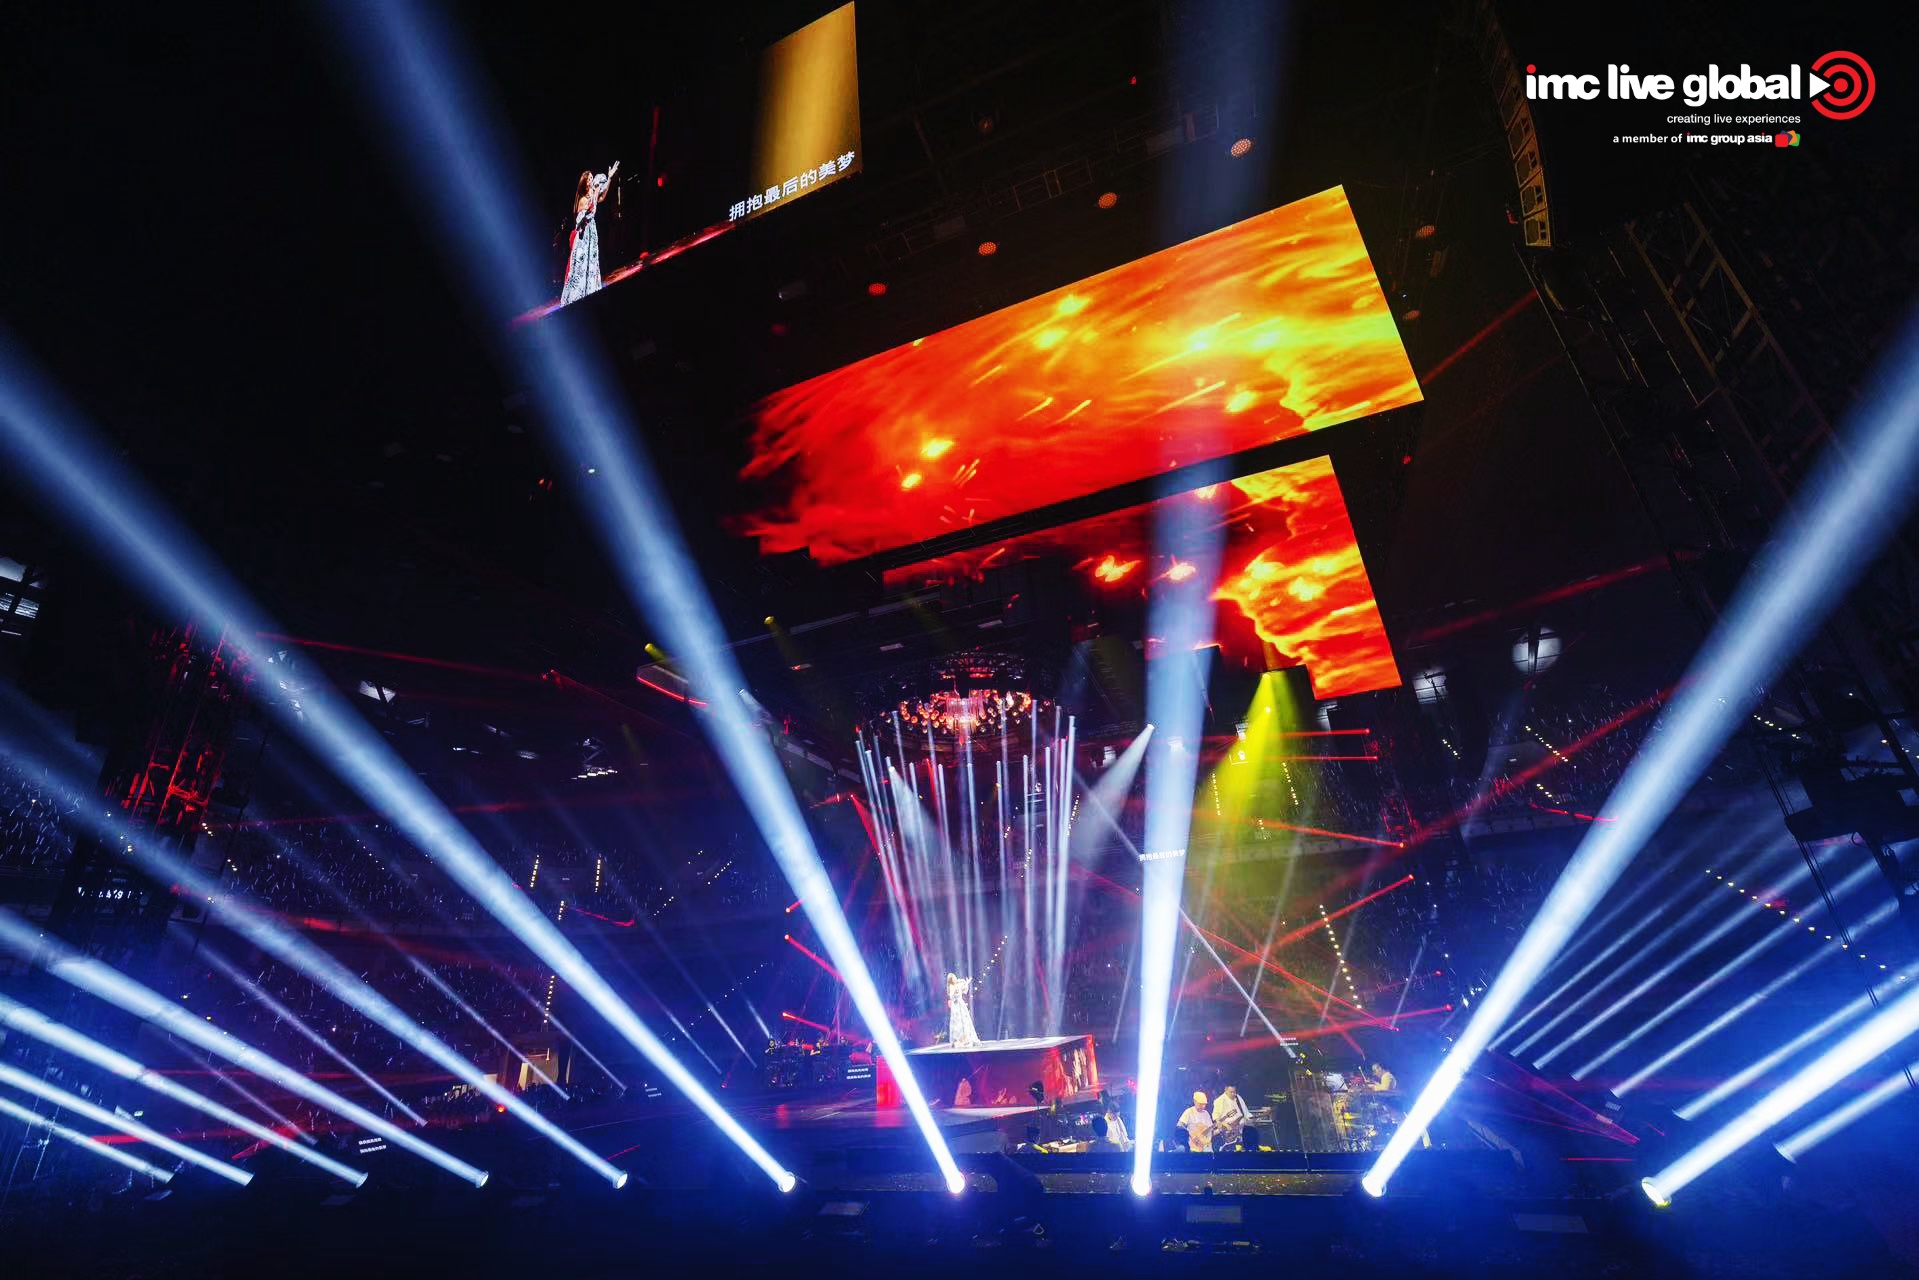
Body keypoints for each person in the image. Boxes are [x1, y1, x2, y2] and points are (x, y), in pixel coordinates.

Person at [560, 161, 619, 305]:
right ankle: (577, 296)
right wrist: (596, 191)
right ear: (585, 184)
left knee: (591, 262)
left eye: (593, 178)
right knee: (581, 264)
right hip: (583, 236)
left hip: (591, 233)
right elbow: (588, 214)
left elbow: (601, 198)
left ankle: (590, 290)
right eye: (590, 179)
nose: (592, 180)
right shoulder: (582, 200)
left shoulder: (592, 195)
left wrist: (609, 178)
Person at [945, 972, 981, 1048]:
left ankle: (967, 1039)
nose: (955, 978)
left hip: (961, 1004)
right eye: (954, 977)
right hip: (956, 1005)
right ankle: (959, 1040)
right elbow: (951, 996)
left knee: (965, 1021)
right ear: (951, 979)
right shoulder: (952, 986)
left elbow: (964, 992)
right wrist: (957, 988)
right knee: (958, 1022)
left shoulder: (957, 985)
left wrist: (966, 983)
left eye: (955, 977)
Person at [1211, 1085, 1251, 1150]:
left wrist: (1250, 1119)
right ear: (1226, 1091)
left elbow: (1246, 1113)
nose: (1233, 1094)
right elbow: (1216, 1117)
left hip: (1240, 1128)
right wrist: (1225, 1125)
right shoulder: (1219, 1100)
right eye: (1231, 1092)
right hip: (1228, 1131)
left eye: (1234, 1092)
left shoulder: (1238, 1098)